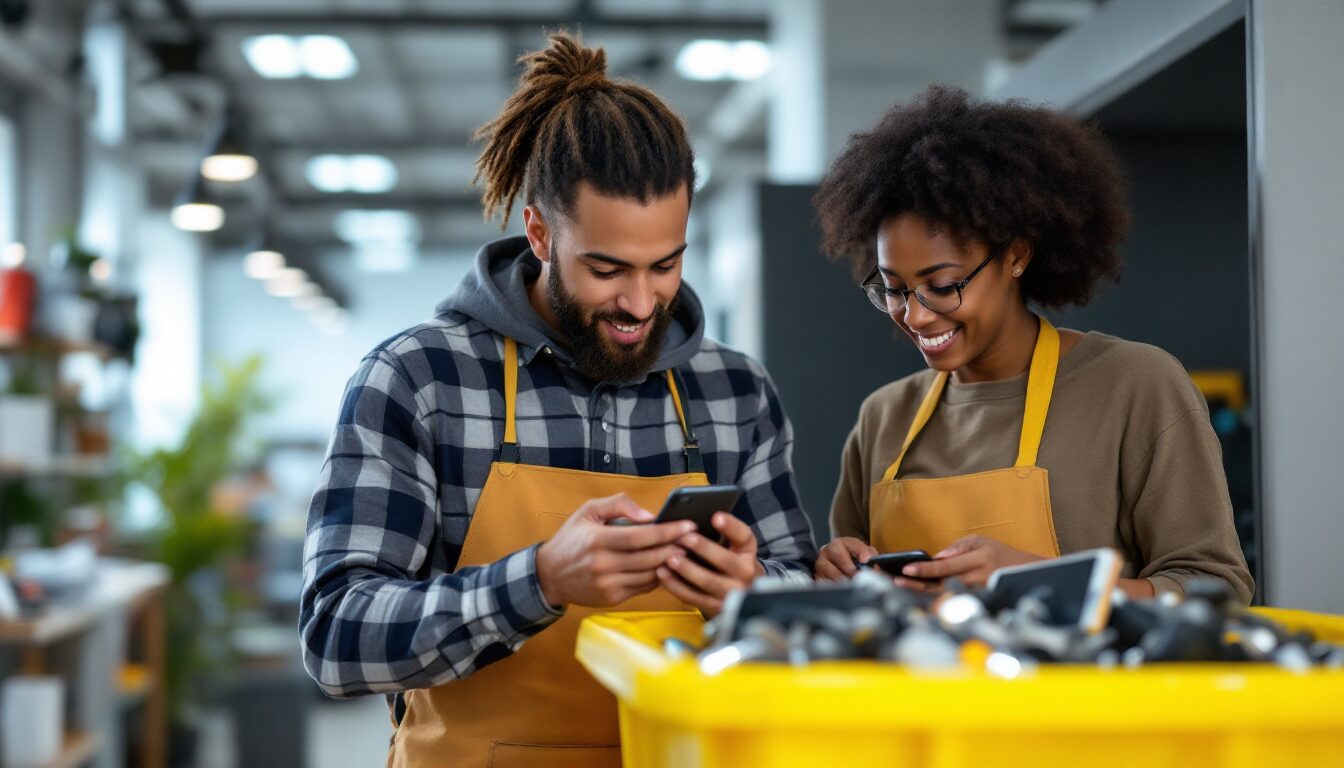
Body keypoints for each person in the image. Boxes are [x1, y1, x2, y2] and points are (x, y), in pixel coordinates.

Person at [299, 33, 816, 767]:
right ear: (539, 232)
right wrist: (538, 580)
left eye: (665, 265)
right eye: (607, 268)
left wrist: (751, 590)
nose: (641, 301)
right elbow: (337, 639)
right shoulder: (419, 379)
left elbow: (807, 602)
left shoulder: (733, 391)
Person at [811, 85, 1252, 604]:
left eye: (944, 284)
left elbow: (1216, 591)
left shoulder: (1136, 386)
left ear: (1016, 256)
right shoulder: (884, 418)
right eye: (894, 288)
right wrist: (836, 570)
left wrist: (1040, 580)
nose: (915, 314)